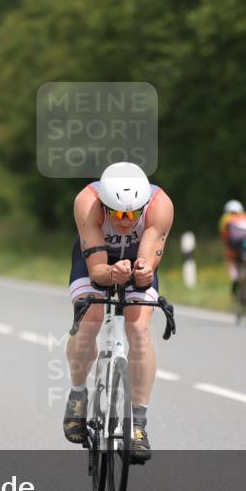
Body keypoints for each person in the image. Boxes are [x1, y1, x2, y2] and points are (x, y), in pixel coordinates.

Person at [64, 162, 174, 464]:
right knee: (90, 319)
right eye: (119, 214)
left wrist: (143, 272)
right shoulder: (88, 203)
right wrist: (110, 272)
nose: (126, 221)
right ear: (105, 205)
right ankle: (78, 395)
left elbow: (149, 261)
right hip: (97, 259)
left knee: (139, 330)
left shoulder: (160, 205)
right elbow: (97, 271)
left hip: (137, 255)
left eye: (133, 213)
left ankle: (137, 424)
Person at [218, 199, 246, 310]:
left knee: (230, 259)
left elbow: (225, 238)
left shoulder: (226, 219)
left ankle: (235, 276)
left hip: (235, 247)